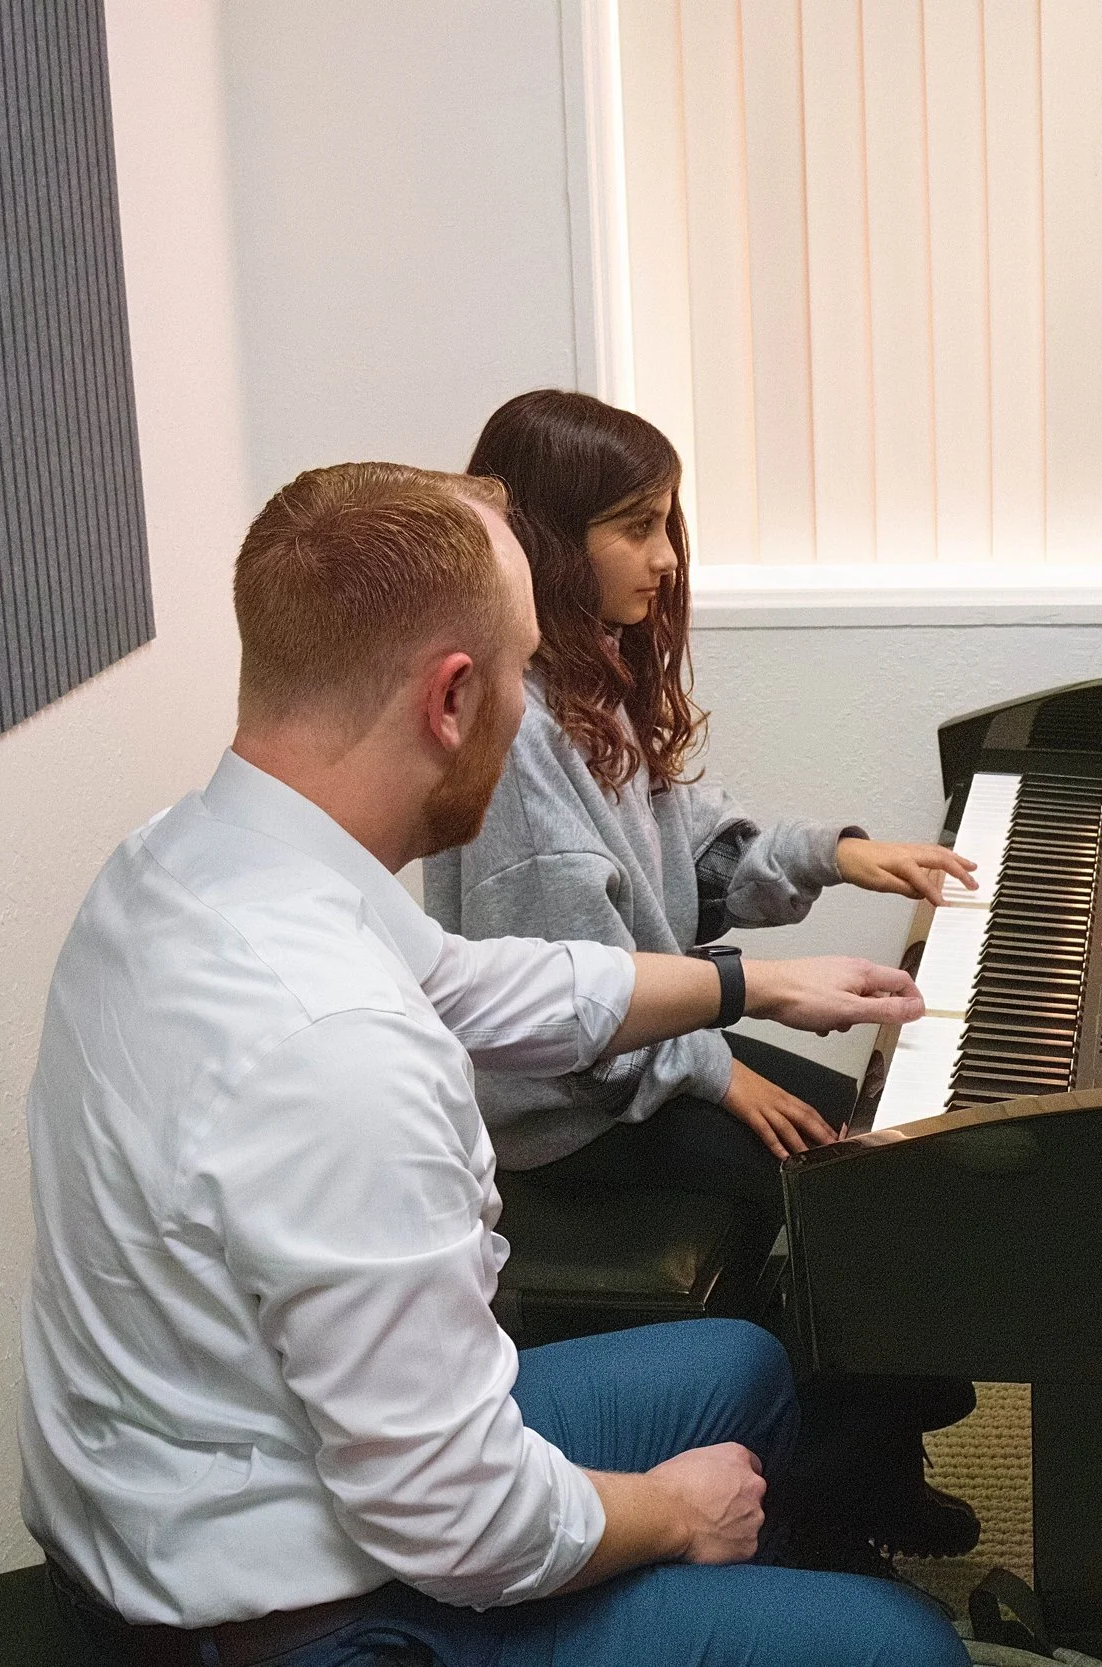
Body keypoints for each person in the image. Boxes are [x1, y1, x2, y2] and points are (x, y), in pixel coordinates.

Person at [18, 461, 966, 1667]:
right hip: (298, 1621)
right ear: (453, 698)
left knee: (742, 1364)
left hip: (227, 1472)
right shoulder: (339, 1053)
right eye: (524, 667)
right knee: (905, 1648)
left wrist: (750, 982)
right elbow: (462, 1522)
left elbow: (477, 981)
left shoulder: (187, 858)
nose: (538, 707)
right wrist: (674, 1511)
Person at [426, 389, 979, 1568]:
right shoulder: (520, 740)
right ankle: (825, 1494)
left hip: (647, 1048)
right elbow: (575, 1000)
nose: (665, 560)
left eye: (670, 525)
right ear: (545, 541)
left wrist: (841, 853)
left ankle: (875, 1453)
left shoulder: (598, 679)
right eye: (637, 528)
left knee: (886, 1144)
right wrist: (717, 1072)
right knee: (857, 1186)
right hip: (568, 1112)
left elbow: (704, 860)